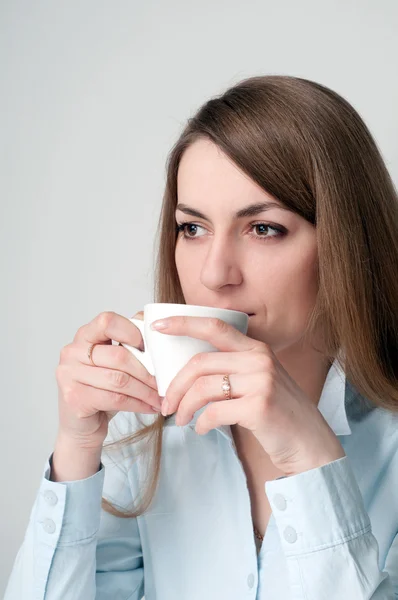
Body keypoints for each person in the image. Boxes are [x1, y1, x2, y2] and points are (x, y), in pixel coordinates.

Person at [4, 75, 398, 599]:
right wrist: (76, 452)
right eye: (193, 228)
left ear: (347, 240)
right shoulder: (144, 430)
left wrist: (310, 459)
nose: (215, 274)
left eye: (263, 228)